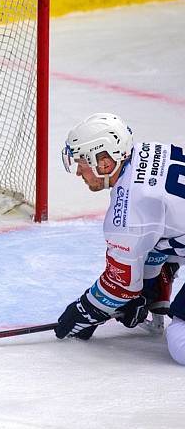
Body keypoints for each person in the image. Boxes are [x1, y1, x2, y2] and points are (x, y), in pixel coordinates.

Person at [55, 113, 185, 365]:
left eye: (82, 161)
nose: (78, 171)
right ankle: (158, 281)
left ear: (104, 162)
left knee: (179, 340)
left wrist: (86, 310)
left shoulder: (128, 212)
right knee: (155, 241)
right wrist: (146, 288)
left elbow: (120, 284)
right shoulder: (149, 150)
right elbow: (157, 233)